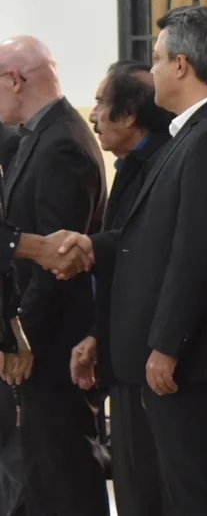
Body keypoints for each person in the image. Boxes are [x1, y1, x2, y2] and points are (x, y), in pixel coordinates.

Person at [58, 6, 207, 515]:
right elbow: (152, 239)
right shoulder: (187, 136)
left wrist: (167, 345)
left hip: (188, 363)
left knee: (196, 497)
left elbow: (196, 254)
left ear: (182, 65)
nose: (154, 70)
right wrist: (96, 249)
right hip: (166, 360)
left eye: (159, 58)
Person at [0, 36, 108, 515]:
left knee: (65, 480)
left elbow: (57, 262)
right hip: (40, 344)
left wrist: (20, 336)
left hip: (53, 346)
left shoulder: (61, 142)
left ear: (13, 80)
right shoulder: (38, 135)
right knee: (41, 479)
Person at [67, 61, 173, 515]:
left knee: (152, 494)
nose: (92, 115)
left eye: (99, 103)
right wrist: (97, 334)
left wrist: (85, 246)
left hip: (153, 361)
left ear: (128, 115)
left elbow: (145, 251)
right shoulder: (131, 164)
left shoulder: (162, 165)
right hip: (126, 359)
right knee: (132, 492)